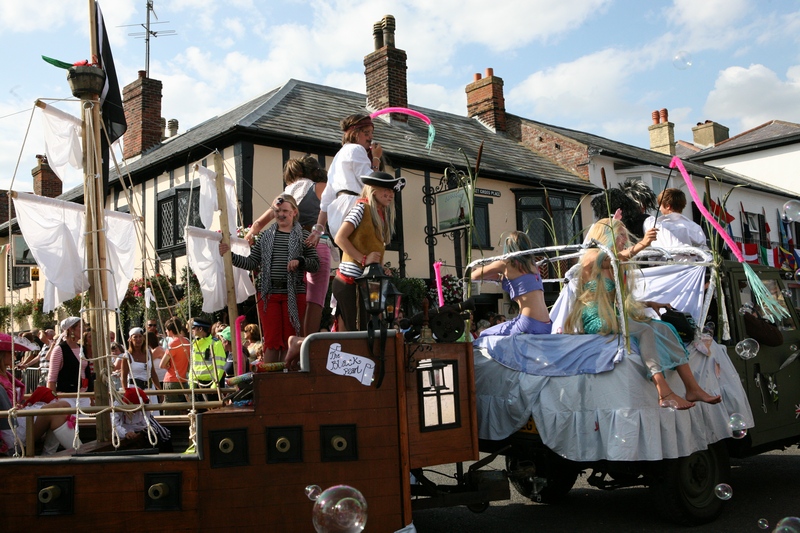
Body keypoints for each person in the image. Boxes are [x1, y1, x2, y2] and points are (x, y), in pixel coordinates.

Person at [564, 218, 721, 410]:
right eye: (620, 234)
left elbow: (614, 299)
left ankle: (692, 387)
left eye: (624, 234)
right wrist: (643, 244)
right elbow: (613, 259)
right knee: (645, 330)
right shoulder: (592, 257)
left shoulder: (613, 264)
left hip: (616, 316)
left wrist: (648, 302)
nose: (623, 239)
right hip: (598, 320)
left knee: (665, 327)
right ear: (605, 235)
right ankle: (664, 392)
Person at [221, 194, 320, 362]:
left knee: (291, 338)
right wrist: (229, 255)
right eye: (277, 211)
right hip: (268, 294)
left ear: (294, 212)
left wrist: (300, 261)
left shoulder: (304, 236)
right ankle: (271, 380)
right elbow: (251, 263)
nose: (281, 214)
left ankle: (289, 377)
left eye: (285, 211)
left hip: (294, 294)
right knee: (272, 341)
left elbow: (315, 265)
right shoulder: (265, 237)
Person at [245, 157, 332, 336]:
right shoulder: (320, 187)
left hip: (291, 248)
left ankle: (295, 340)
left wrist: (249, 237)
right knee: (315, 300)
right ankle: (306, 346)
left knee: (297, 296)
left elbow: (258, 224)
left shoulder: (283, 198)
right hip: (317, 243)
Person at [333, 171, 405, 331]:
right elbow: (340, 238)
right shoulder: (361, 208)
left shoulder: (379, 216)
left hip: (364, 283)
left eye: (392, 191)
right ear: (374, 190)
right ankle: (298, 344)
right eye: (386, 189)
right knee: (353, 333)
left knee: (363, 332)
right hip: (350, 281)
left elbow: (369, 251)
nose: (391, 194)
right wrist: (364, 259)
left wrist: (379, 268)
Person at [0, 334, 80, 456]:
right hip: (10, 429)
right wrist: (13, 408)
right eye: (11, 352)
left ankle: (52, 454)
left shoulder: (7, 375)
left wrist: (17, 405)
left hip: (17, 419)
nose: (15, 355)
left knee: (64, 405)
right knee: (56, 412)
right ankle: (76, 452)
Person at [471, 232, 552, 337]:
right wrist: (499, 277)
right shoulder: (533, 266)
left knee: (484, 333)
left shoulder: (506, 263)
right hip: (547, 324)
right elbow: (517, 280)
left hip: (529, 323)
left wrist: (479, 270)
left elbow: (474, 276)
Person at [316, 114, 384, 240]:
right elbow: (369, 181)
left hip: (336, 214)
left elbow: (326, 198)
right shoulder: (356, 149)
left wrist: (318, 229)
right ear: (355, 133)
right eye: (367, 133)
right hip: (353, 207)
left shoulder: (338, 156)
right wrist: (376, 159)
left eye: (371, 133)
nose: (371, 137)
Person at [46, 316, 92, 408]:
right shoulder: (59, 350)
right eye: (80, 327)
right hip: (66, 396)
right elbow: (52, 379)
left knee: (86, 421)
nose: (84, 330)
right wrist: (53, 400)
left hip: (83, 395)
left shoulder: (81, 348)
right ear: (71, 329)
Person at [643, 188, 707, 250]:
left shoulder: (656, 224)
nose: (659, 209)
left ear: (668, 206)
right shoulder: (694, 227)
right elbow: (703, 249)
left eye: (660, 205)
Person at [188, 318, 226, 401]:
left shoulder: (215, 343)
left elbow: (220, 366)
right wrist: (191, 382)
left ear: (200, 329)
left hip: (210, 385)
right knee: (198, 413)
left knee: (211, 413)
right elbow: (192, 365)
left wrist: (214, 385)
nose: (191, 330)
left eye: (193, 328)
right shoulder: (194, 343)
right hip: (196, 384)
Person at [159, 317, 190, 415]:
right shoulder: (187, 342)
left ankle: (170, 429)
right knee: (183, 408)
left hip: (171, 379)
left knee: (170, 408)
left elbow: (162, 364)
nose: (166, 332)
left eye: (167, 330)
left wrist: (167, 365)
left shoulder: (173, 344)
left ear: (171, 331)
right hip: (183, 379)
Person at [119, 327, 161, 394]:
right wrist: (126, 393)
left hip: (149, 389)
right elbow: (123, 377)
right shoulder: (127, 356)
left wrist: (160, 392)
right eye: (135, 337)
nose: (138, 339)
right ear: (130, 339)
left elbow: (153, 373)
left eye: (140, 336)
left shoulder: (148, 353)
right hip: (134, 390)